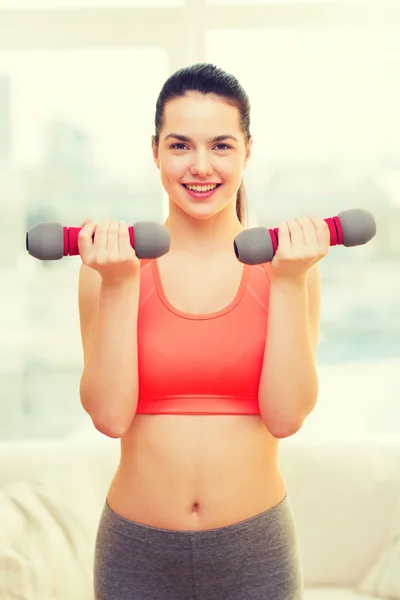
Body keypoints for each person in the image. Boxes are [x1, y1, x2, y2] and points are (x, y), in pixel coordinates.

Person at [77, 63, 330, 600]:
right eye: (179, 145)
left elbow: (286, 417)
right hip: (135, 550)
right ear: (154, 152)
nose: (200, 166)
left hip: (255, 550)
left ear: (247, 151)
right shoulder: (109, 266)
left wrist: (289, 283)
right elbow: (108, 415)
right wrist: (121, 286)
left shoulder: (288, 267)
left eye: (220, 145)